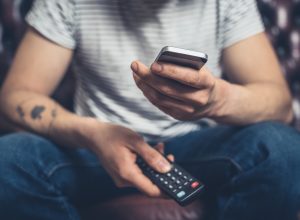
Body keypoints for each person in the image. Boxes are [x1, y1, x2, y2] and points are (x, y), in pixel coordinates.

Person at [0, 0, 299, 219]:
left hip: (193, 149)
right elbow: (16, 96)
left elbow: (280, 105)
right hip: (95, 149)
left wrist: (218, 101)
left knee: (281, 149)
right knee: (9, 159)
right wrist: (92, 133)